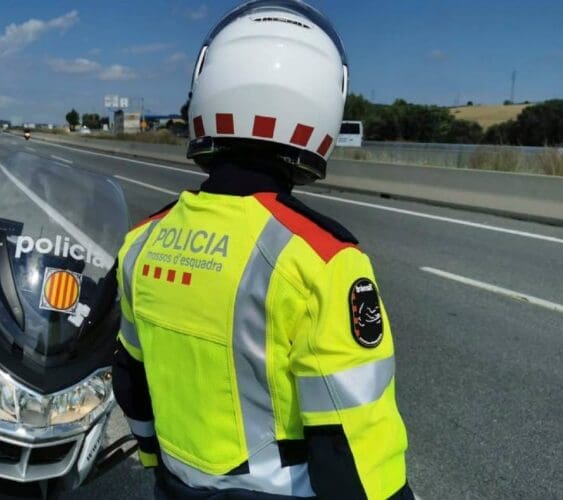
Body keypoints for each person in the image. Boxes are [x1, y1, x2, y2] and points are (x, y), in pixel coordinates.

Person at [112, 1, 413, 498]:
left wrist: (153, 459)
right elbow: (350, 435)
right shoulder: (322, 258)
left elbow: (132, 377)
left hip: (173, 482)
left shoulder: (142, 241)